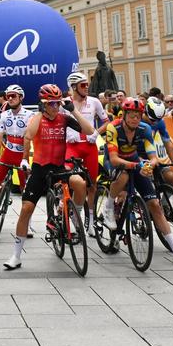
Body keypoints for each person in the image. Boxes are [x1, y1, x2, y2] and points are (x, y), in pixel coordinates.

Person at [4, 85, 95, 271]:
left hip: (59, 168)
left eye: (57, 103)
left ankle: (73, 214)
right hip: (40, 170)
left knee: (80, 183)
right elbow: (28, 136)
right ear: (44, 104)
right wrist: (39, 113)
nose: (55, 107)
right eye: (51, 103)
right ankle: (16, 255)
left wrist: (73, 110)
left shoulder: (64, 118)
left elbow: (89, 130)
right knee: (26, 208)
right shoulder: (37, 118)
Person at [104, 98, 173, 266]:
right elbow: (114, 158)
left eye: (138, 116)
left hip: (134, 160)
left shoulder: (145, 128)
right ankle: (109, 206)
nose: (135, 119)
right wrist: (137, 165)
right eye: (131, 116)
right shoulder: (114, 127)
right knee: (123, 178)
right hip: (115, 160)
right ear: (124, 115)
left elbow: (153, 157)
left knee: (154, 204)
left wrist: (150, 164)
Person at [0, 84, 31, 226]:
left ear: (21, 97)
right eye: (8, 96)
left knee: (24, 189)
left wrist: (26, 159)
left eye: (13, 96)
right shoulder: (4, 115)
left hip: (21, 155)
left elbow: (28, 138)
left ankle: (27, 222)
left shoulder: (29, 115)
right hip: (8, 153)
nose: (10, 98)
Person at [65, 71, 108, 231]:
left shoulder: (94, 101)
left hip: (89, 146)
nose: (87, 88)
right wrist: (67, 134)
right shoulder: (65, 103)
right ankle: (71, 211)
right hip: (72, 146)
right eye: (83, 85)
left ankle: (90, 221)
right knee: (69, 181)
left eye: (87, 84)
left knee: (92, 186)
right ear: (74, 87)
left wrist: (96, 133)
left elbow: (106, 122)